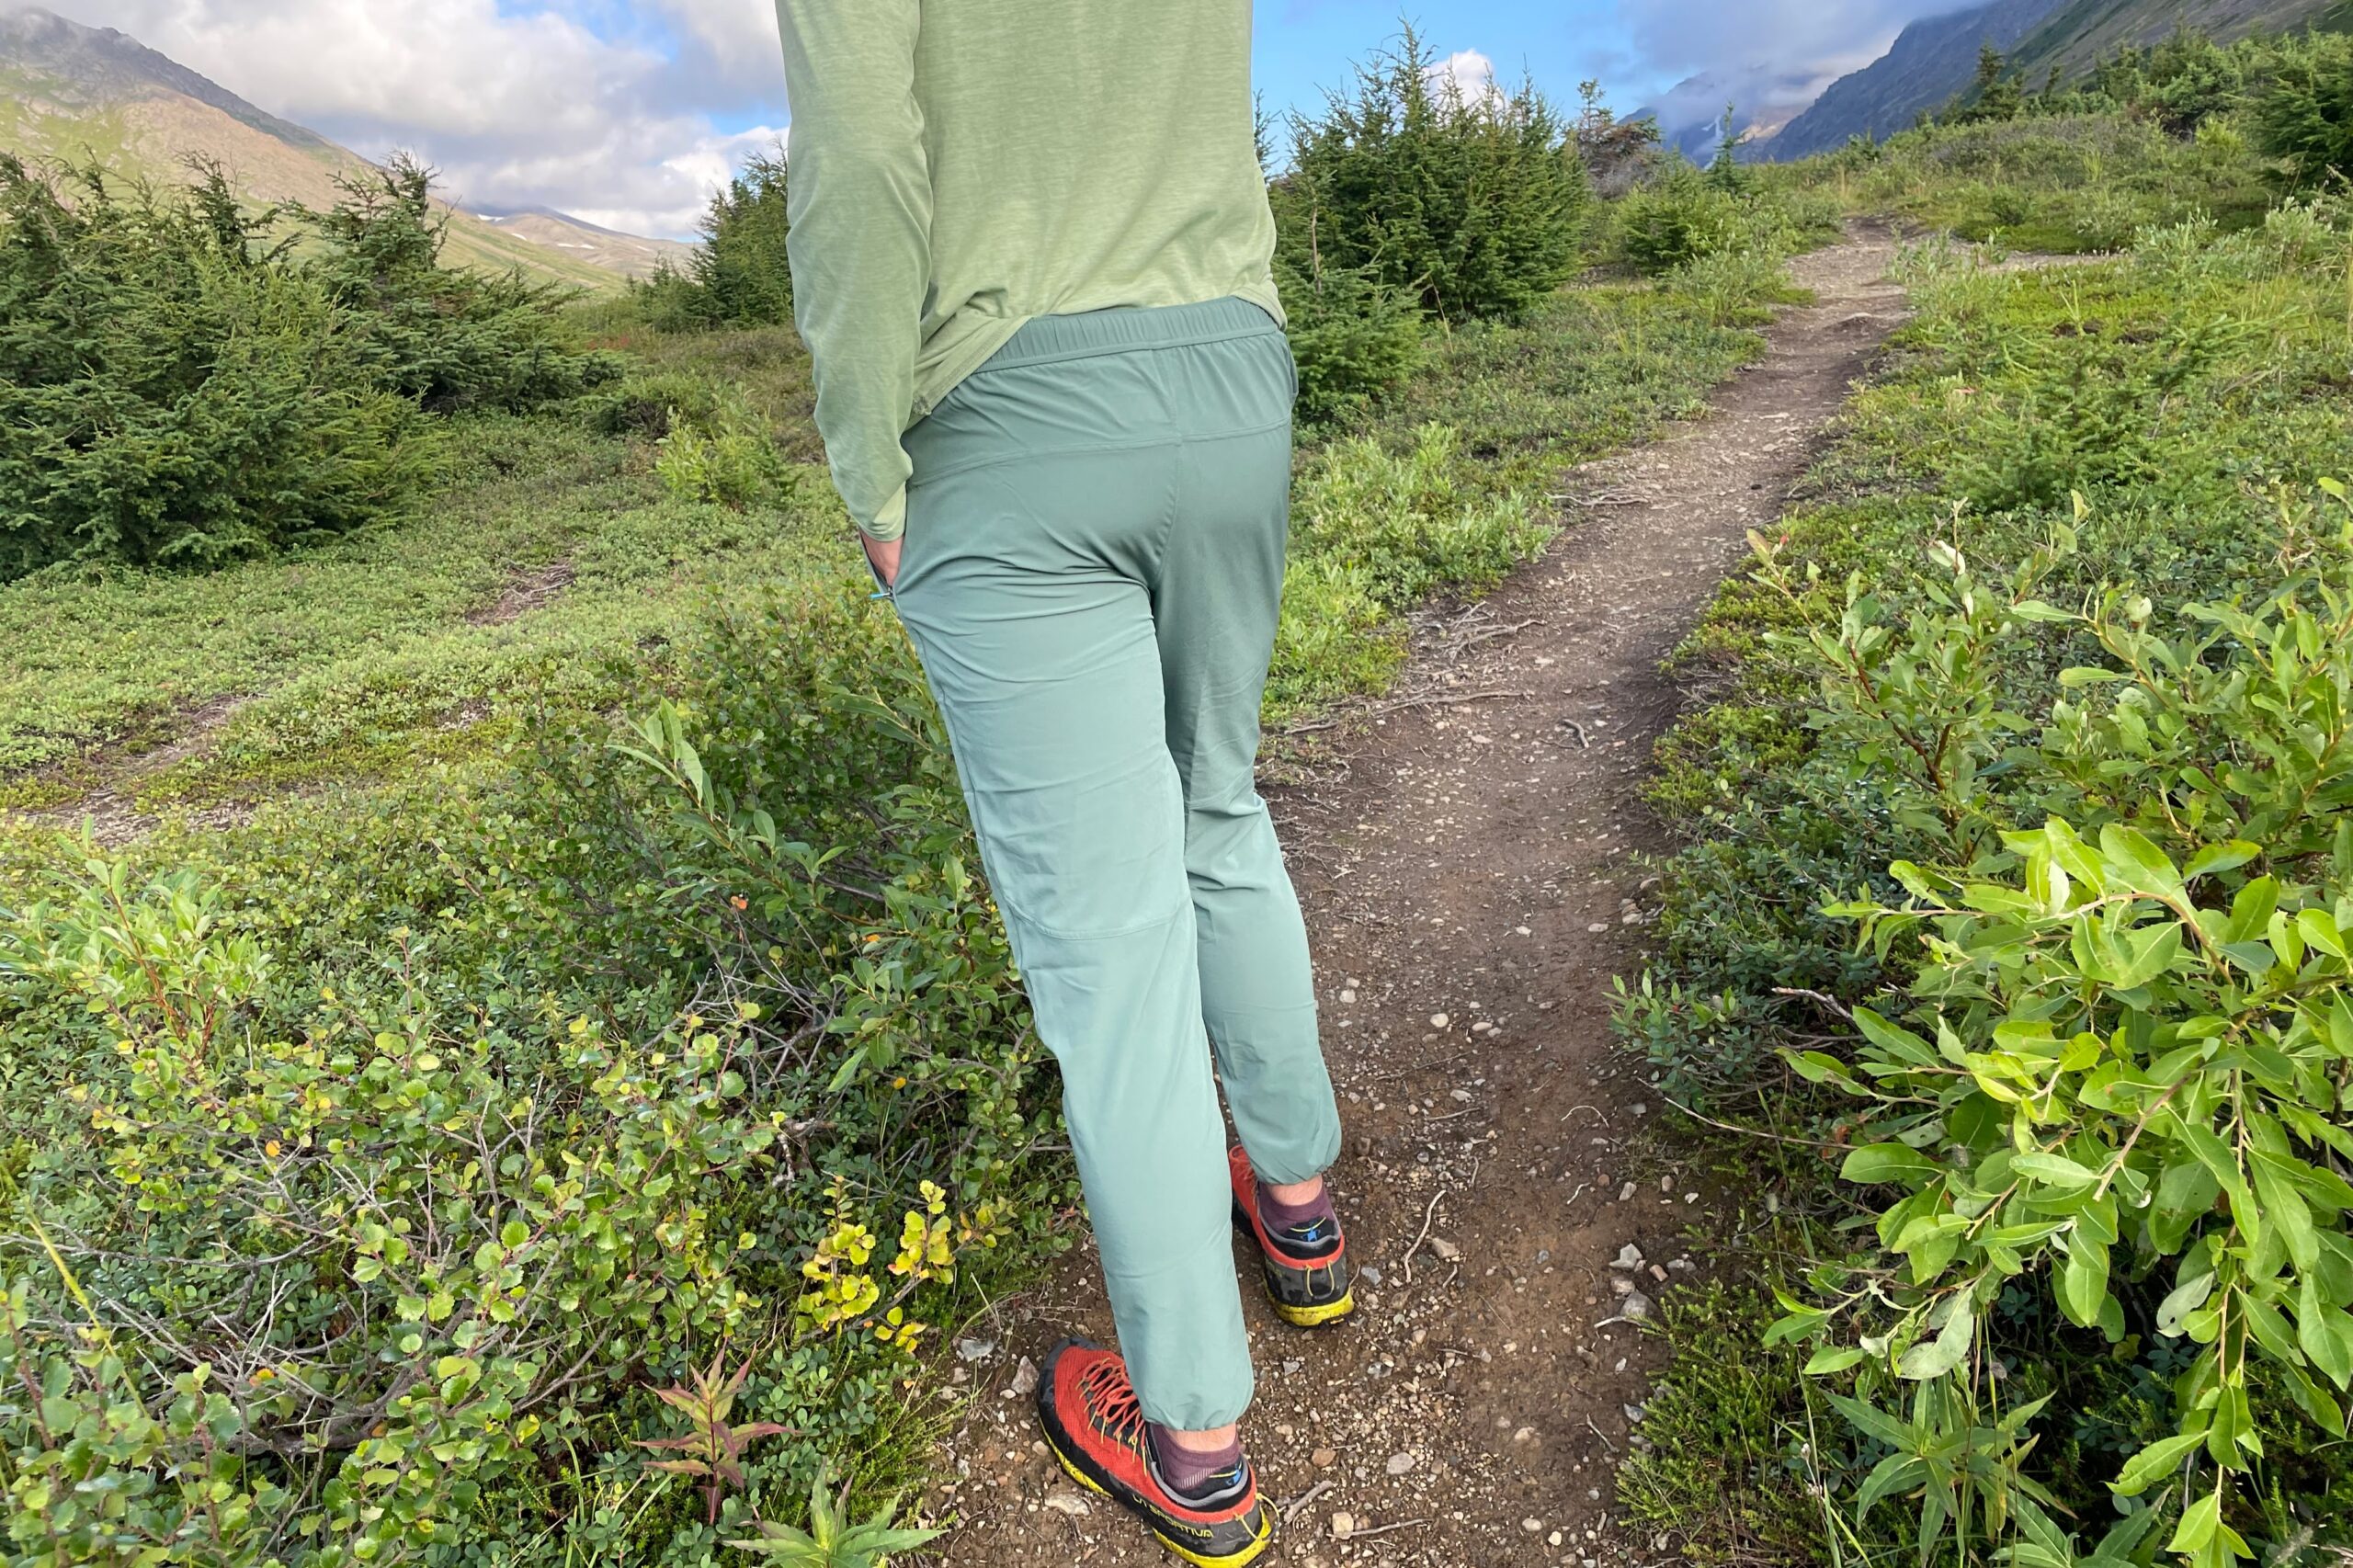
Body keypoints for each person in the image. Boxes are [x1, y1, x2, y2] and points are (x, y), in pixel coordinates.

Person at [770, 3, 1352, 1562]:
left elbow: (858, 161)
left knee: (1106, 956)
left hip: (1009, 418)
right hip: (1233, 375)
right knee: (1218, 800)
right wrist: (1242, 328)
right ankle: (1299, 1209)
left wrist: (865, 461)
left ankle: (1199, 1449)